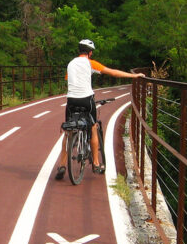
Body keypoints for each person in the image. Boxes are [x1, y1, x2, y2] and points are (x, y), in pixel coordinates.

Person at [55, 39, 144, 180]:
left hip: (71, 100)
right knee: (93, 127)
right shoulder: (90, 63)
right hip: (86, 100)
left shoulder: (71, 63)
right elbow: (113, 73)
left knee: (68, 131)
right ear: (90, 53)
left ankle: (62, 166)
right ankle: (96, 163)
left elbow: (69, 79)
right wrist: (134, 76)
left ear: (79, 51)